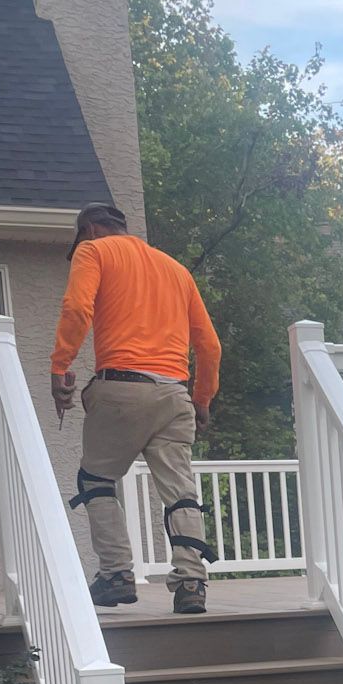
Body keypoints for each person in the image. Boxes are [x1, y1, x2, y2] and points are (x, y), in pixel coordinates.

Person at [50, 203, 222, 615]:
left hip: (122, 389)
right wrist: (202, 399)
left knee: (96, 479)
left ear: (89, 230)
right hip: (175, 396)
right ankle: (191, 583)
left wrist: (60, 366)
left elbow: (77, 308)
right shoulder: (176, 271)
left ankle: (116, 574)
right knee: (180, 491)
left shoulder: (96, 251)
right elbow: (210, 346)